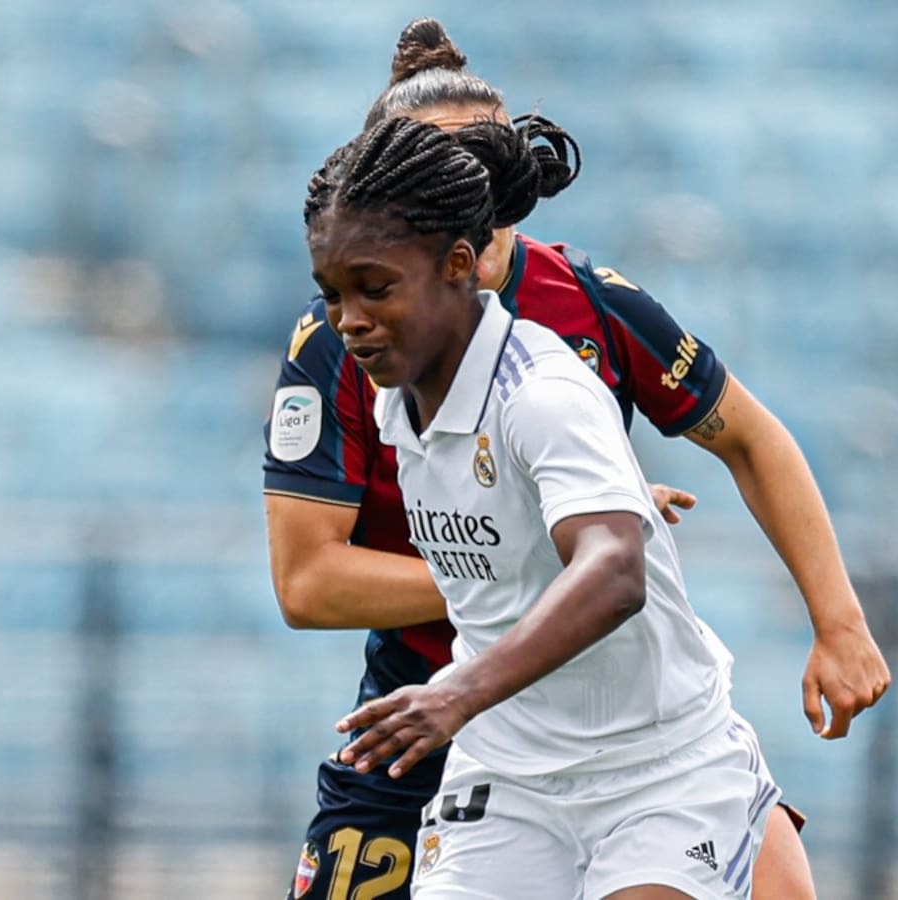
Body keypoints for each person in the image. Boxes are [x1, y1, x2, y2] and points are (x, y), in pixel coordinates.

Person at [264, 18, 889, 900]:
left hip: (625, 723)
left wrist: (840, 622)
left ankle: (735, 809)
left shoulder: (573, 321)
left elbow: (742, 444)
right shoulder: (355, 341)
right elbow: (308, 583)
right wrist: (520, 559)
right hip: (429, 709)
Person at [311, 112, 786, 899]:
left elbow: (615, 572)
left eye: (375, 288)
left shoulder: (544, 391)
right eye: (332, 293)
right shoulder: (396, 394)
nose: (348, 320)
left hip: (659, 770)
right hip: (509, 775)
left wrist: (456, 694)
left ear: (460, 264)